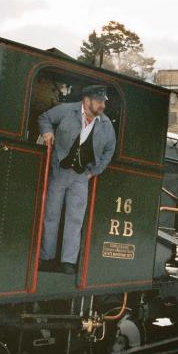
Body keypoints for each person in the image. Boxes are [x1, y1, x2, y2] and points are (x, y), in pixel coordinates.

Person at [38, 85, 116, 274]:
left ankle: (68, 262)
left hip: (81, 177)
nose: (102, 105)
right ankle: (46, 256)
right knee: (51, 215)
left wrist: (94, 172)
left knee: (75, 219)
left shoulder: (106, 125)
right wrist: (47, 131)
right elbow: (45, 118)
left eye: (103, 101)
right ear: (86, 100)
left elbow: (109, 151)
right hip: (59, 172)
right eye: (99, 101)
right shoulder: (67, 110)